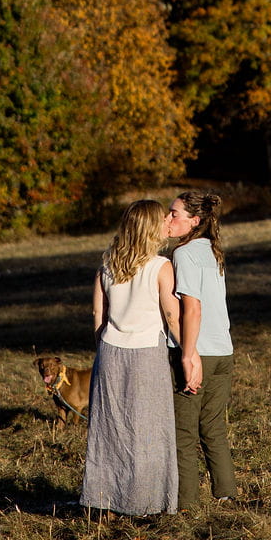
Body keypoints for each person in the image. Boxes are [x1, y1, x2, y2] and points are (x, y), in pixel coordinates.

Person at [80, 198, 179, 515]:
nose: (168, 223)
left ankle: (104, 499)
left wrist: (103, 346)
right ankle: (147, 502)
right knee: (149, 429)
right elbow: (171, 315)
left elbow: (98, 312)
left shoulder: (108, 263)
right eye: (163, 219)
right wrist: (189, 351)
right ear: (152, 228)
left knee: (110, 429)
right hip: (147, 351)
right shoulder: (161, 266)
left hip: (110, 350)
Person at [164, 190, 237, 509]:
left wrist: (187, 355)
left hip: (198, 352)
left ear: (194, 221)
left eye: (174, 214)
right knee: (213, 427)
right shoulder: (212, 249)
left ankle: (187, 505)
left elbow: (192, 309)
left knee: (184, 433)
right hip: (223, 351)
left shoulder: (184, 254)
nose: (168, 219)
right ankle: (226, 494)